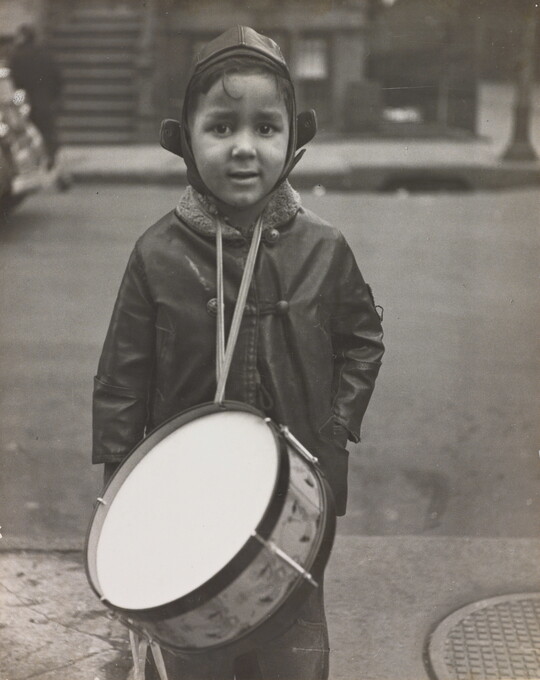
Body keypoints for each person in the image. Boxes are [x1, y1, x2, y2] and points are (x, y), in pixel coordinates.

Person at [92, 26, 384, 680]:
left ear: (292, 141)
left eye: (266, 128)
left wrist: (333, 430)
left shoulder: (324, 248)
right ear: (187, 141)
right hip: (186, 503)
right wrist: (120, 492)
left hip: (292, 505)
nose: (245, 148)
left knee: (293, 654)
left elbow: (364, 339)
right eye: (222, 127)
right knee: (195, 653)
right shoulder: (156, 255)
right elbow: (121, 378)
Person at [9, 24, 62, 169]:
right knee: (47, 130)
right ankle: (50, 158)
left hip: (25, 99)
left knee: (27, 131)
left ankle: (34, 161)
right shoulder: (45, 54)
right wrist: (54, 96)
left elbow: (15, 81)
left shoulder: (17, 55)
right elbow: (57, 76)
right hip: (45, 98)